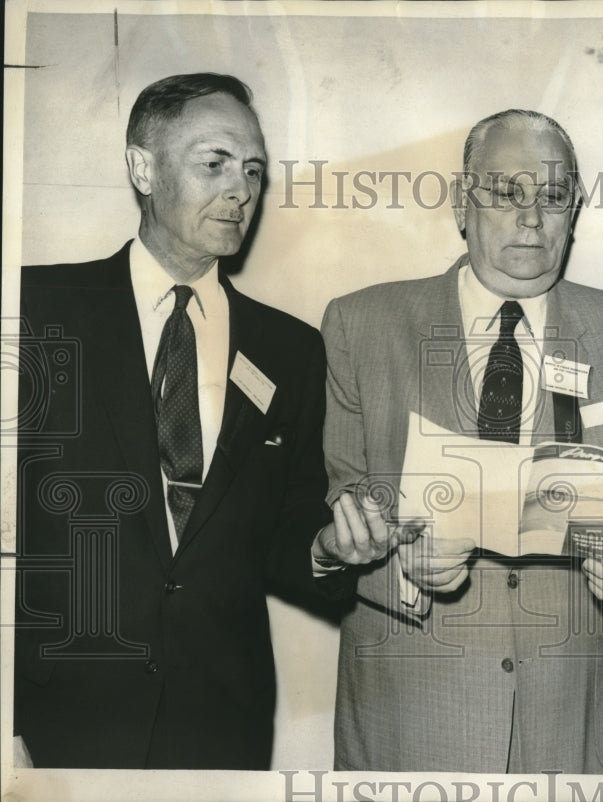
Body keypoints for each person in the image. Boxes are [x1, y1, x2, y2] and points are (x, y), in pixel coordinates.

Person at [14, 73, 379, 769]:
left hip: (222, 720)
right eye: (214, 163)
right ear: (141, 167)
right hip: (53, 718)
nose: (241, 189)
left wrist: (327, 548)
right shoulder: (35, 309)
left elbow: (286, 528)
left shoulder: (291, 350)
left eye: (252, 171)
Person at [312, 109, 603, 773]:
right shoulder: (360, 324)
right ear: (463, 205)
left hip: (578, 717)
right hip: (412, 712)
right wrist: (399, 568)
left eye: (551, 196)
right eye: (506, 193)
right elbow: (341, 503)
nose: (531, 218)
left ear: (574, 210)